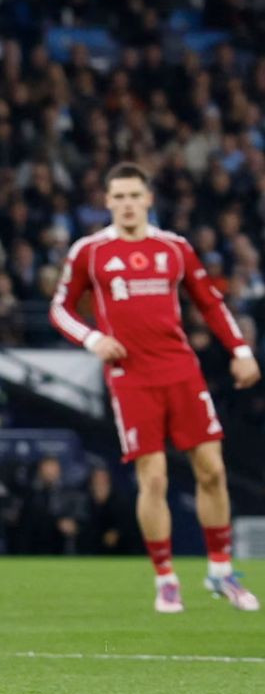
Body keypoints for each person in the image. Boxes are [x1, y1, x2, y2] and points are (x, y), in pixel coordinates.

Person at [50, 162, 261, 613]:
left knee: (213, 471)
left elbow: (211, 303)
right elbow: (60, 308)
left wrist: (240, 350)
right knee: (155, 477)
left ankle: (221, 571)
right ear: (107, 202)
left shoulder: (174, 248)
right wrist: (92, 339)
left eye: (134, 195)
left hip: (181, 370)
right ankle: (166, 579)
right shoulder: (90, 251)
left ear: (148, 199)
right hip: (131, 377)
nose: (127, 204)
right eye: (119, 197)